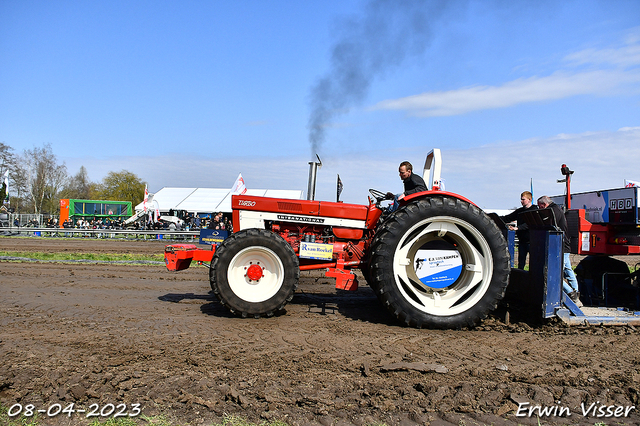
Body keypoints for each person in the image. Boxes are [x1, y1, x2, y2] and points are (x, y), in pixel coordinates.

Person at [537, 195, 581, 305]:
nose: (539, 208)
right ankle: (576, 293)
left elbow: (551, 225)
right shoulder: (556, 209)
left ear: (544, 204)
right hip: (564, 245)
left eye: (539, 206)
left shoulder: (553, 211)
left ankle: (571, 293)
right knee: (568, 270)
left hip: (560, 245)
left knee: (556, 272)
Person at [500, 191, 538, 269]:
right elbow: (508, 218)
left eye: (523, 199)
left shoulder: (534, 210)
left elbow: (530, 223)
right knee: (521, 262)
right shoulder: (520, 211)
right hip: (522, 241)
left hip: (532, 241)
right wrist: (495, 218)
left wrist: (518, 228)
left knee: (534, 263)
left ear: (529, 199)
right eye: (521, 199)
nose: (521, 201)